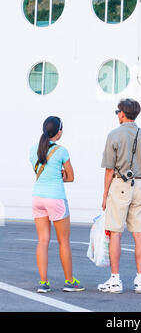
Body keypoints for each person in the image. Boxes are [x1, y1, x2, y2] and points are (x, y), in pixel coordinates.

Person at [99, 98, 141, 294]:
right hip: (140, 184)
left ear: (122, 113)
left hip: (119, 183)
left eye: (118, 112)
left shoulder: (114, 135)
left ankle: (115, 280)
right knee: (138, 234)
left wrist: (105, 194)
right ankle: (139, 280)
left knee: (116, 232)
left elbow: (108, 169)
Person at [29, 116, 85, 293]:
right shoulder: (62, 151)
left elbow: (40, 172)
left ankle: (43, 283)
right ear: (58, 132)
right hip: (56, 198)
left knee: (42, 241)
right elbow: (71, 177)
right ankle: (69, 281)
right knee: (63, 242)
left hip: (37, 197)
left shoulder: (33, 150)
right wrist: (61, 174)